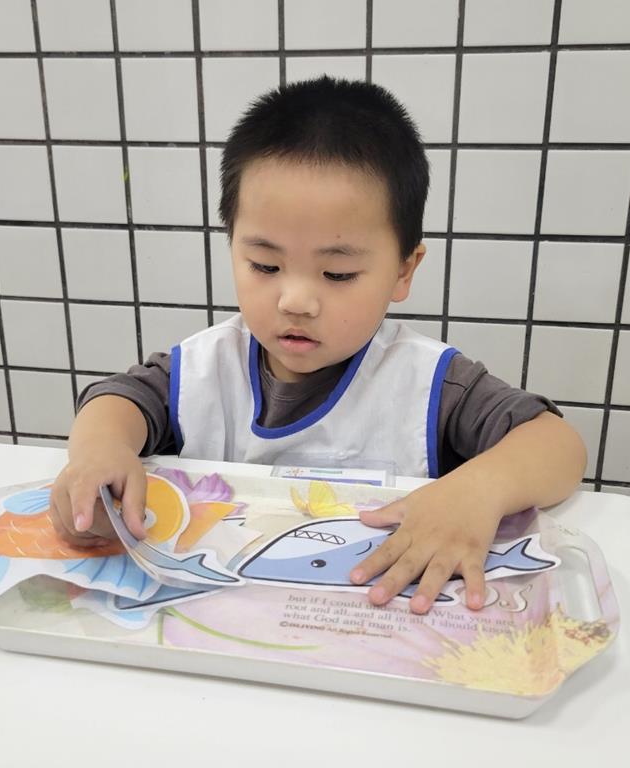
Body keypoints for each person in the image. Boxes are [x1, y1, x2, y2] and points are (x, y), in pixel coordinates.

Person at [48, 76, 586, 615]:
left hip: (371, 622)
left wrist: (475, 492)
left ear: (404, 270)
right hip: (215, 620)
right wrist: (101, 452)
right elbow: (118, 399)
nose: (296, 300)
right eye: (265, 265)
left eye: (337, 273)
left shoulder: (429, 384)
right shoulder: (207, 368)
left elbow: (557, 446)